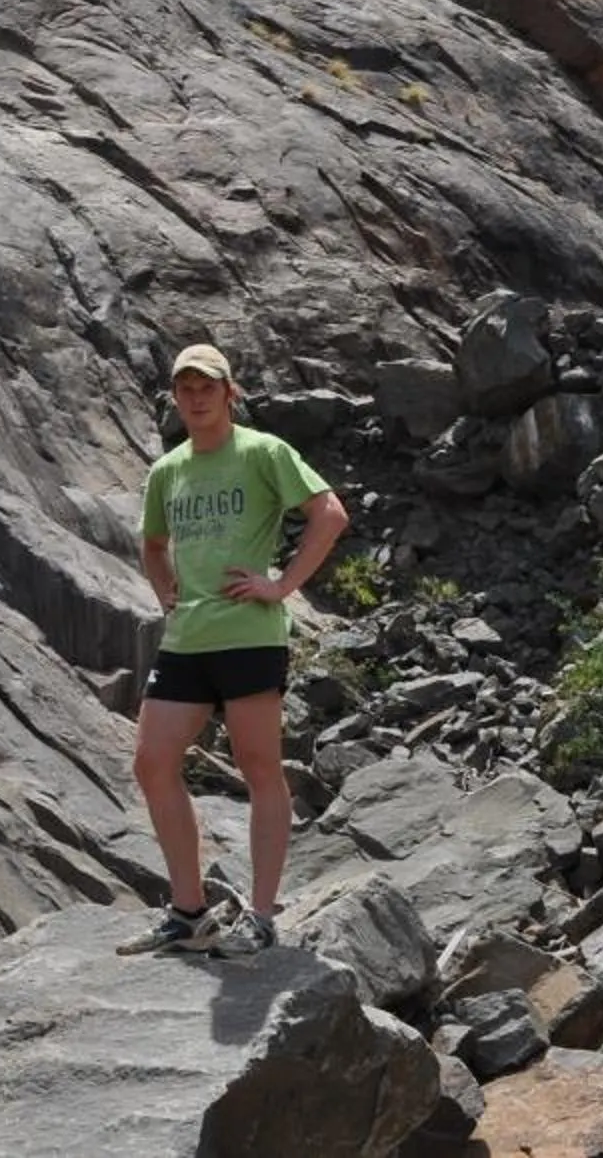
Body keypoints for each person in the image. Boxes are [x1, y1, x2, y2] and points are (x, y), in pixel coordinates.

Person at [124, 343, 351, 957]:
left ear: (231, 392)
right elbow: (152, 543)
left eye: (207, 386)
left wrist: (281, 585)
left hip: (250, 635)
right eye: (185, 388)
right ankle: (189, 912)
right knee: (152, 762)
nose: (196, 398)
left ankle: (261, 915)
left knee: (259, 767)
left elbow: (329, 514)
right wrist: (165, 590)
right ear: (176, 397)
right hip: (188, 638)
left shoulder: (262, 452)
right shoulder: (168, 470)